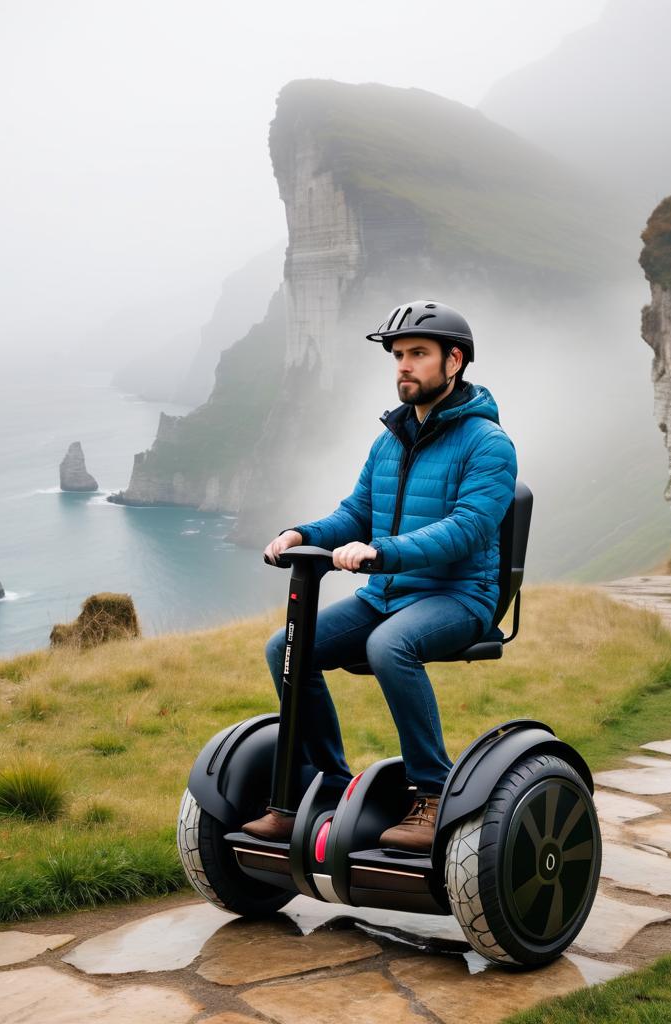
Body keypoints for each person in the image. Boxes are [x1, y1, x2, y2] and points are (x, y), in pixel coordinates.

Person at [243, 299, 518, 852]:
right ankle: (328, 786)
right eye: (398, 356)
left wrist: (382, 553)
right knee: (288, 647)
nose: (403, 366)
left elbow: (466, 529)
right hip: (387, 594)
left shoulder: (488, 445)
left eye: (418, 354)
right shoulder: (389, 440)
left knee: (390, 645)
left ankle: (433, 793)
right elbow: (355, 513)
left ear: (454, 361)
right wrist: (302, 534)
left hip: (461, 597)